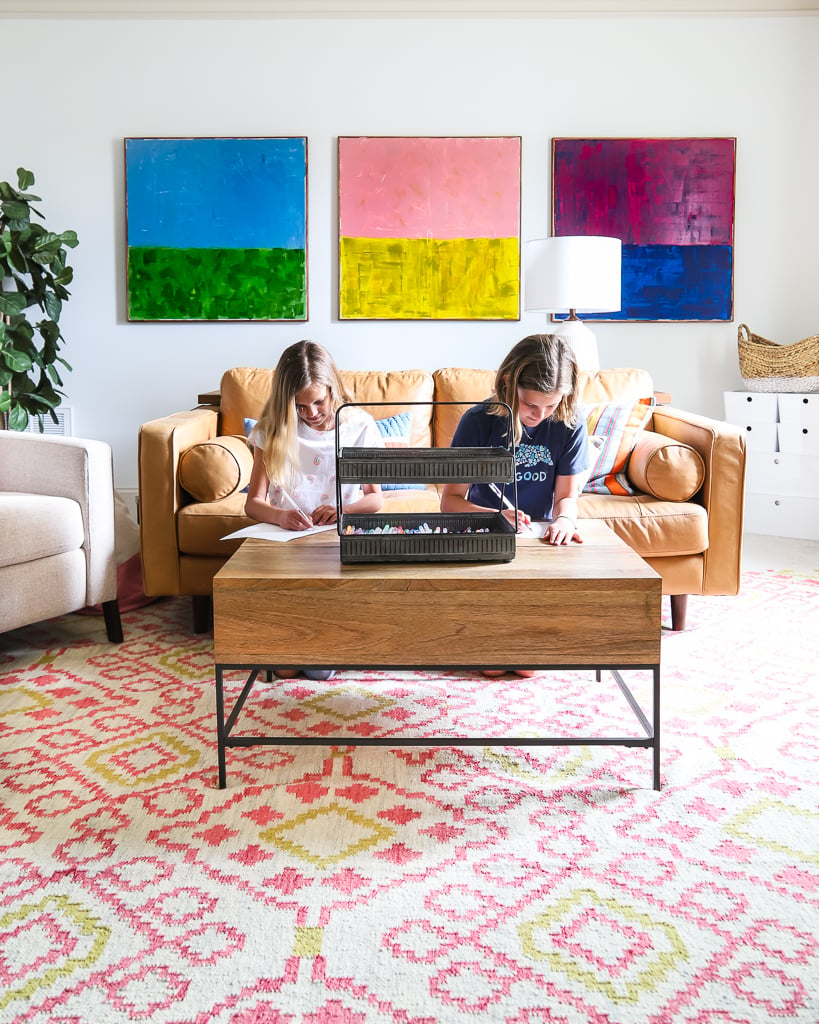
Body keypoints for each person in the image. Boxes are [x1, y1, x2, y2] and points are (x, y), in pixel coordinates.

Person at [440, 333, 591, 678]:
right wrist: (496, 516)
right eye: (530, 404)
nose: (540, 415)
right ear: (509, 383)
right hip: (485, 538)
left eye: (551, 405)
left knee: (527, 668)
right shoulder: (478, 421)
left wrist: (566, 520)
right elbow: (449, 503)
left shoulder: (568, 421)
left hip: (536, 542)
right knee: (492, 668)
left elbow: (566, 497)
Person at [245, 339, 384, 679]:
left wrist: (343, 509)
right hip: (288, 544)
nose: (311, 413)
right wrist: (280, 515)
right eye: (300, 406)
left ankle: (328, 635)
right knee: (287, 670)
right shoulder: (274, 428)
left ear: (332, 388)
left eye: (318, 402)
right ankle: (302, 634)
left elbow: (375, 499)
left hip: (333, 543)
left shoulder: (358, 425)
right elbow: (253, 504)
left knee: (318, 671)